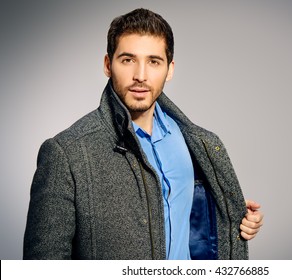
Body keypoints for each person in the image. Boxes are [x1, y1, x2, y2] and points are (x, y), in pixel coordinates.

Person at [23, 8, 263, 260]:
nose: (140, 76)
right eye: (128, 60)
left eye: (153, 61)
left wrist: (231, 214)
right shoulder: (67, 153)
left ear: (169, 69)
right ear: (108, 65)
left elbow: (192, 217)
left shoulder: (198, 143)